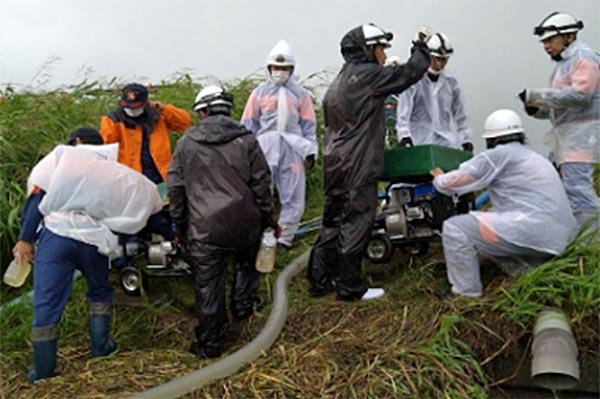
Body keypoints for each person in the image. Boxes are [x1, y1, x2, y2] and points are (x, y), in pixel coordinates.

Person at [12, 128, 165, 382]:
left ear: (77, 142)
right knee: (100, 291)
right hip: (94, 239)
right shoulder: (109, 170)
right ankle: (101, 347)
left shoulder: (63, 160)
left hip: (57, 237)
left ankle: (43, 371)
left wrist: (25, 238)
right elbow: (138, 203)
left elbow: (37, 200)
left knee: (46, 304)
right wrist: (169, 231)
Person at [307, 23, 431, 301]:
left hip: (335, 165)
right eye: (381, 49)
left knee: (332, 224)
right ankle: (350, 287)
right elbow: (409, 73)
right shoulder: (368, 76)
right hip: (357, 165)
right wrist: (420, 46)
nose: (385, 56)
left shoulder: (340, 80)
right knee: (356, 222)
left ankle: (319, 281)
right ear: (368, 50)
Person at [168, 86, 275, 359]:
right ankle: (243, 309)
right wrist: (266, 219)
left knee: (208, 285)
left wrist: (180, 227)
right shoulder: (247, 139)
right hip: (245, 221)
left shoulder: (186, 143)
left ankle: (210, 343)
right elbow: (262, 183)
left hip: (205, 228)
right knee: (245, 266)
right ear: (228, 109)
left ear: (202, 111)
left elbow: (176, 190)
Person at [431, 109, 575, 297]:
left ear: (490, 140)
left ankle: (465, 293)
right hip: (561, 237)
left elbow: (453, 183)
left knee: (455, 228)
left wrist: (439, 178)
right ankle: (529, 268)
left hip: (534, 230)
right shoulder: (532, 156)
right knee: (487, 221)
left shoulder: (499, 155)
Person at [518, 12, 599, 234]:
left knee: (578, 191)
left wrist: (537, 95)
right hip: (565, 140)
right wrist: (536, 109)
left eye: (549, 40)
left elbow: (581, 96)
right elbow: (561, 106)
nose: (546, 46)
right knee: (558, 189)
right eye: (543, 41)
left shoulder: (584, 57)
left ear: (569, 36)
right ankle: (575, 237)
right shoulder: (562, 65)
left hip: (580, 138)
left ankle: (591, 245)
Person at [241, 40, 317, 250]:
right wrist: (245, 152)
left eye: (284, 68)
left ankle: (284, 238)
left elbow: (309, 126)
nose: (280, 72)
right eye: (276, 68)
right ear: (269, 68)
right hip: (263, 148)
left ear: (291, 70)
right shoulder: (259, 93)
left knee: (293, 195)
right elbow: (248, 124)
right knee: (258, 193)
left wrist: (311, 151)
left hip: (293, 148)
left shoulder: (300, 95)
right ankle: (257, 236)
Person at [396, 31, 473, 151]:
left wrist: (465, 139)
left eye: (444, 60)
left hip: (445, 142)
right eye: (436, 59)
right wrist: (404, 135)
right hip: (417, 141)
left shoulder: (451, 81)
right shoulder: (414, 78)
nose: (439, 64)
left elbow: (460, 113)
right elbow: (403, 110)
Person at [100, 83, 192, 184]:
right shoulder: (113, 120)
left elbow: (185, 123)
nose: (131, 110)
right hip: (130, 179)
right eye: (128, 106)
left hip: (160, 175)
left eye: (135, 107)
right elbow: (106, 149)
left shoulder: (157, 115)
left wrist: (164, 109)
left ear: (145, 103)